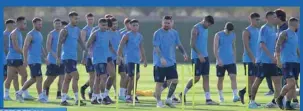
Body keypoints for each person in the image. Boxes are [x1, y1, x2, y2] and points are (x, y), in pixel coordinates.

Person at [179, 15, 218, 105]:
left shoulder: (206, 29)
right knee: (196, 78)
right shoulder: (195, 29)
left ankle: (208, 99)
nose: (208, 26)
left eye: (210, 25)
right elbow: (192, 44)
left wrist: (204, 55)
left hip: (205, 56)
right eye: (208, 24)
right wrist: (199, 54)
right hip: (197, 57)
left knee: (206, 77)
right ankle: (182, 93)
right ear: (204, 20)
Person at [152, 16, 188, 108]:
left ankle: (168, 99)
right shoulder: (157, 33)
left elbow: (179, 44)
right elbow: (156, 47)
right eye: (165, 23)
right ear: (162, 23)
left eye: (168, 23)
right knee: (159, 83)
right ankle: (159, 102)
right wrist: (161, 58)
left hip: (171, 62)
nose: (166, 25)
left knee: (175, 80)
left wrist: (184, 53)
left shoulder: (174, 33)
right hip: (160, 63)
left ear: (172, 23)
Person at [249, 11, 282, 109]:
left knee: (277, 81)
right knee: (258, 81)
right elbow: (262, 45)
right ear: (267, 18)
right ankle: (252, 102)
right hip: (263, 61)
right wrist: (271, 57)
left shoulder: (273, 29)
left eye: (276, 17)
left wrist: (275, 56)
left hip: (271, 62)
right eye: (273, 17)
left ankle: (276, 102)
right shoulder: (264, 28)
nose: (275, 19)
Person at [57, 11, 87, 106]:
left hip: (73, 58)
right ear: (70, 19)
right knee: (76, 76)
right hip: (67, 57)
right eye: (75, 18)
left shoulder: (77, 30)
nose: (77, 20)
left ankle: (63, 100)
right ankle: (77, 99)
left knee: (67, 79)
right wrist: (58, 57)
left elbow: (81, 42)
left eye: (77, 18)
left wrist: (86, 50)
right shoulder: (65, 30)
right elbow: (59, 43)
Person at [16, 17, 48, 103]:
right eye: (39, 24)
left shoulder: (40, 34)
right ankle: (41, 97)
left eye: (41, 24)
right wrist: (25, 60)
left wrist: (45, 57)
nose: (40, 26)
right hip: (32, 60)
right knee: (39, 78)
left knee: (33, 79)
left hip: (38, 60)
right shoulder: (30, 34)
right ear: (34, 24)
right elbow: (25, 47)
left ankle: (19, 93)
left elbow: (40, 46)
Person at [117, 19, 147, 103]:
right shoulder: (127, 35)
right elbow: (120, 46)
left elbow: (141, 48)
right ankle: (127, 96)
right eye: (133, 25)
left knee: (136, 77)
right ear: (130, 26)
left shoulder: (140, 36)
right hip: (129, 60)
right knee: (132, 77)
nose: (135, 27)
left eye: (137, 25)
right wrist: (119, 57)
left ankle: (129, 95)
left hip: (136, 60)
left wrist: (144, 59)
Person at [4, 16, 35, 101]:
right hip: (13, 59)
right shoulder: (14, 33)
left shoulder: (19, 33)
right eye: (24, 23)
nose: (25, 25)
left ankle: (22, 94)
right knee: (14, 77)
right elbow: (16, 47)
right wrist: (25, 55)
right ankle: (9, 95)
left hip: (16, 58)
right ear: (19, 23)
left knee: (21, 75)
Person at [86, 18, 113, 105]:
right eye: (103, 25)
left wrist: (118, 55)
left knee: (97, 79)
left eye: (106, 25)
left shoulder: (108, 34)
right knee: (104, 77)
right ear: (99, 25)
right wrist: (86, 56)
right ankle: (103, 97)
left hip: (104, 59)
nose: (104, 27)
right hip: (97, 59)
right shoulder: (95, 33)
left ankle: (94, 98)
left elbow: (109, 45)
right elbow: (87, 45)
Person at [275, 17, 299, 110]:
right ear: (294, 24)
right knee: (291, 82)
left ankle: (288, 104)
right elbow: (278, 45)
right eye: (298, 23)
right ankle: (280, 98)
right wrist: (278, 59)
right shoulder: (285, 33)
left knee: (293, 85)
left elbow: (296, 48)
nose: (299, 25)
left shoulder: (295, 34)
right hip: (286, 62)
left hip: (295, 62)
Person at [213, 22, 239, 103]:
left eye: (230, 31)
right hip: (221, 62)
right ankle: (221, 97)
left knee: (233, 77)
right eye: (228, 30)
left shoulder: (233, 35)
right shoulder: (218, 35)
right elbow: (215, 48)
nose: (229, 32)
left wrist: (234, 58)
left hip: (230, 61)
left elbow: (233, 46)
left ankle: (235, 96)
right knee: (220, 79)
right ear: (225, 28)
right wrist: (218, 59)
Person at [238, 12, 261, 104]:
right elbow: (246, 46)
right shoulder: (247, 31)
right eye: (256, 19)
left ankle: (243, 92)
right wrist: (252, 58)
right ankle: (251, 100)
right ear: (251, 19)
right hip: (249, 59)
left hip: (258, 59)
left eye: (259, 19)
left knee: (256, 80)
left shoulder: (259, 30)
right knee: (251, 80)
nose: (258, 21)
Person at [3, 19, 19, 101]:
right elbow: (6, 48)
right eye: (13, 24)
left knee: (15, 77)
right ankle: (6, 95)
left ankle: (17, 95)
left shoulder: (13, 34)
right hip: (7, 60)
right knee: (6, 77)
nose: (14, 26)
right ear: (8, 25)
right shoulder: (5, 35)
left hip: (13, 59)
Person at [80, 13, 95, 100]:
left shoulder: (95, 29)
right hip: (88, 56)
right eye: (89, 19)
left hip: (95, 56)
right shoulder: (84, 30)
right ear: (86, 20)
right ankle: (91, 92)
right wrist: (84, 57)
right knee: (92, 75)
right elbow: (83, 44)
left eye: (92, 19)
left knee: (96, 76)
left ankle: (84, 87)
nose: (90, 21)